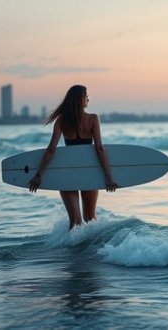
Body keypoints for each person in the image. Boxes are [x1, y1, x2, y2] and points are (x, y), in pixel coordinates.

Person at [28, 85, 117, 229]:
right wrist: (108, 176)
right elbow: (99, 148)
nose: (88, 98)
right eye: (86, 95)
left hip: (67, 173)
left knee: (75, 222)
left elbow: (51, 149)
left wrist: (38, 175)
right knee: (90, 219)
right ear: (80, 99)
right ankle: (89, 250)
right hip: (88, 173)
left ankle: (72, 249)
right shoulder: (93, 119)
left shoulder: (62, 121)